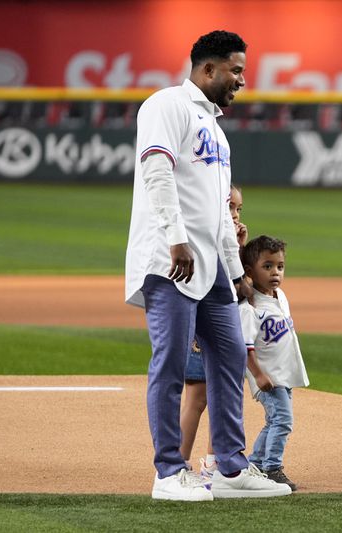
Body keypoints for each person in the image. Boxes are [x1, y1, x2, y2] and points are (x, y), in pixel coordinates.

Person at [124, 30, 290, 501]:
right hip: (170, 258)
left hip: (213, 265)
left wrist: (236, 269)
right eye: (235, 70)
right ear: (208, 69)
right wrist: (176, 237)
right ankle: (168, 471)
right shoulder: (166, 105)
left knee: (230, 357)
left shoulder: (216, 130)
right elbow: (156, 170)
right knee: (172, 364)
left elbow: (220, 210)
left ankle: (231, 469)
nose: (242, 79)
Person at [179, 184, 248, 478]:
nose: (234, 214)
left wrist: (239, 246)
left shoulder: (230, 236)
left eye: (238, 209)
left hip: (220, 318)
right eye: (229, 207)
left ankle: (213, 461)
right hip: (204, 320)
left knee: (217, 392)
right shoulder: (204, 233)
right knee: (198, 396)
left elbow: (237, 278)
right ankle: (179, 463)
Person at [238, 235, 309, 492]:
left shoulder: (280, 296)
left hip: (283, 374)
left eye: (279, 266)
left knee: (274, 421)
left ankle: (254, 464)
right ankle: (272, 468)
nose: (275, 272)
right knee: (283, 421)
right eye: (267, 266)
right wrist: (257, 375)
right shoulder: (250, 308)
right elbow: (245, 347)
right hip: (267, 377)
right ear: (249, 272)